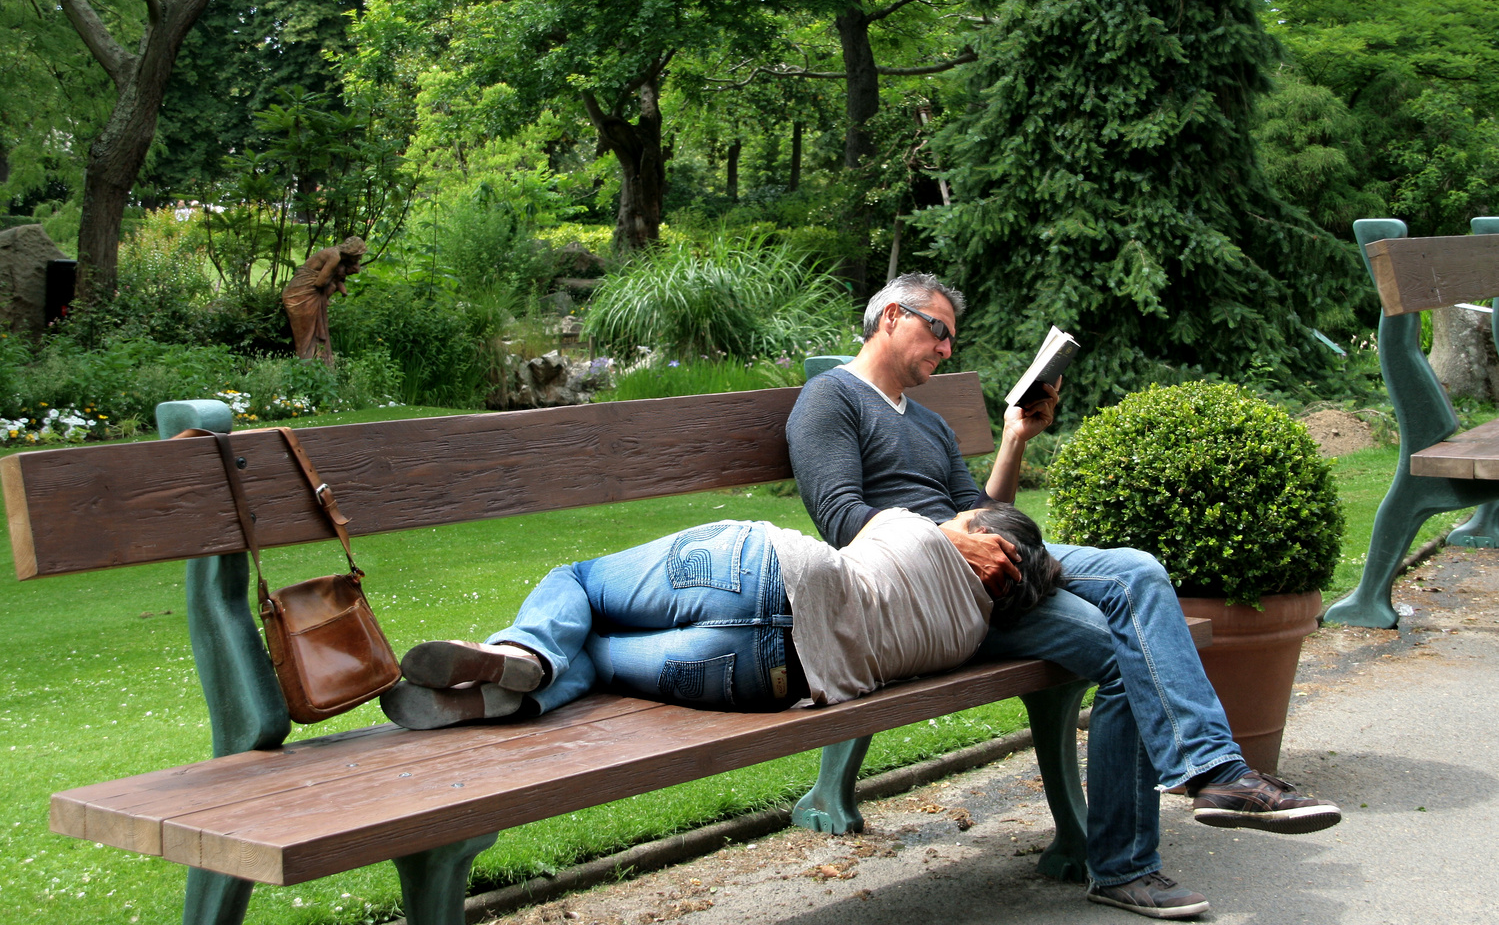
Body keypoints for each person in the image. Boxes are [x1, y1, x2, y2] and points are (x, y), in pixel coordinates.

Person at [785, 272, 1341, 921]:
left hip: (986, 570)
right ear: (889, 317)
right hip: (917, 594)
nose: (945, 350)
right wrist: (949, 540)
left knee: (1132, 598)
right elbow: (839, 520)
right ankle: (1162, 827)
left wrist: (1015, 438)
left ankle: (1192, 796)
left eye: (950, 341)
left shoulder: (929, 425)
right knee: (1125, 618)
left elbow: (984, 512)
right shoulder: (829, 400)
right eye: (937, 332)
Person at [380, 505, 1060, 728]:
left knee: (577, 583)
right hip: (764, 678)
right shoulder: (968, 638)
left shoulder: (911, 529)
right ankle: (495, 700)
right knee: (599, 664)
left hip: (758, 568)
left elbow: (862, 520)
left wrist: (950, 531)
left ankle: (523, 653)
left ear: (988, 542)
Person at [281, 236, 366, 367]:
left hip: (308, 295)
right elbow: (320, 283)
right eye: (359, 256)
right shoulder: (335, 257)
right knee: (306, 336)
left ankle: (319, 364)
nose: (359, 259)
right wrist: (333, 282)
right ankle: (306, 367)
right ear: (352, 252)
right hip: (300, 296)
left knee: (313, 333)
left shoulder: (336, 255)